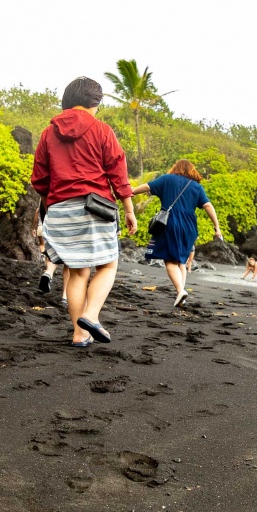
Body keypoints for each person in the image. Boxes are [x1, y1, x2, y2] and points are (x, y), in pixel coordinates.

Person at [31, 77, 137, 346]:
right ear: (94, 102)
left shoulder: (48, 133)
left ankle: (79, 334)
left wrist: (48, 207)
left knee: (77, 272)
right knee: (108, 264)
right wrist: (128, 209)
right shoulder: (102, 130)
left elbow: (40, 180)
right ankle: (91, 315)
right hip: (95, 207)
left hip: (60, 208)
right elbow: (117, 172)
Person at [131, 159, 221, 307]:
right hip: (189, 227)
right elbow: (208, 205)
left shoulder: (167, 179)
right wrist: (217, 226)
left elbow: (146, 187)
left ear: (176, 168)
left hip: (169, 224)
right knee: (182, 261)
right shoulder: (196, 187)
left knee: (170, 261)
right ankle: (182, 296)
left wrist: (131, 191)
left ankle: (180, 290)